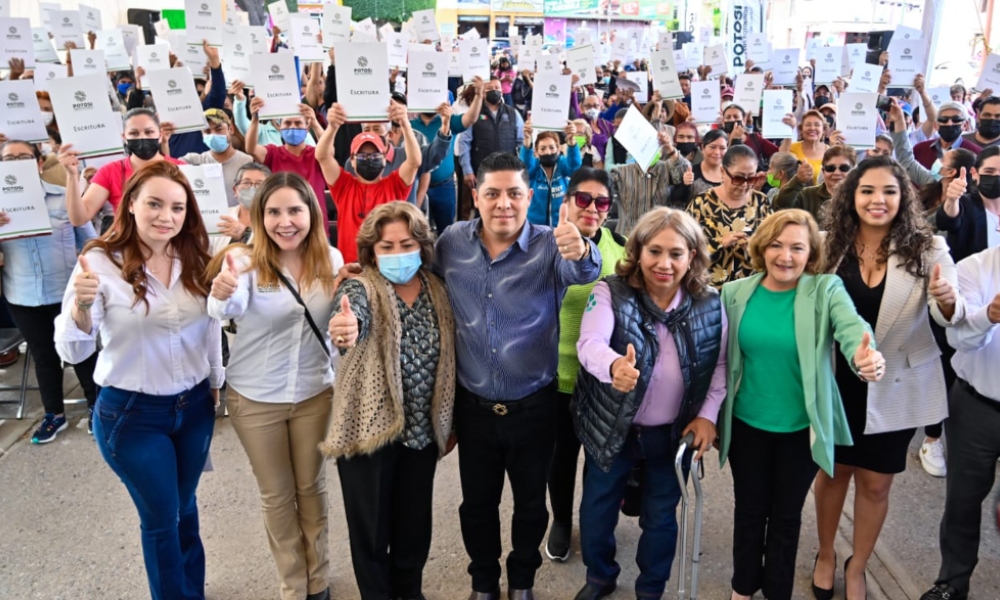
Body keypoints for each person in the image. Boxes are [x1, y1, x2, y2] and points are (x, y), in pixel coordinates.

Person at [434, 152, 602, 600]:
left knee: (531, 507)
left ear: (530, 197)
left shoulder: (552, 243)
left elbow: (584, 268)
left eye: (513, 193)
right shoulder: (451, 242)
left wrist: (582, 246)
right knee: (477, 507)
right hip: (475, 409)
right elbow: (413, 272)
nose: (502, 203)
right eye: (492, 193)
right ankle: (484, 584)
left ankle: (522, 582)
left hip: (535, 406)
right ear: (476, 196)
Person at [53, 161, 222, 600]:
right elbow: (73, 351)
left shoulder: (196, 257)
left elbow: (210, 328)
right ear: (130, 204)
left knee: (186, 510)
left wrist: (216, 381)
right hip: (132, 415)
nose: (166, 216)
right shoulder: (98, 262)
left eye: (178, 207)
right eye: (154, 203)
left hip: (195, 407)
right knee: (162, 519)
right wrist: (80, 309)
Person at [812, 156, 963, 600]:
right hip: (837, 380)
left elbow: (946, 315)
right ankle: (824, 553)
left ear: (905, 197)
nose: (878, 200)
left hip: (897, 381)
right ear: (850, 197)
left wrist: (947, 299)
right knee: (833, 472)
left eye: (889, 192)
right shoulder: (826, 245)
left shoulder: (930, 248)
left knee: (876, 482)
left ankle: (857, 566)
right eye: (867, 191)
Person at [718, 209, 884, 600]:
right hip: (746, 424)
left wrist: (866, 355)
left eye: (796, 247)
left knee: (786, 516)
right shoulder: (735, 292)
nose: (785, 256)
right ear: (761, 248)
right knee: (749, 510)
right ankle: (743, 587)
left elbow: (852, 327)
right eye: (776, 245)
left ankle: (778, 591)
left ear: (811, 254)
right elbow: (719, 361)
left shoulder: (825, 290)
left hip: (801, 428)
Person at [571, 207, 727, 600]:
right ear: (638, 251)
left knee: (661, 518)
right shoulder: (610, 290)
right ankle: (600, 576)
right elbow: (589, 343)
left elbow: (720, 366)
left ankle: (651, 589)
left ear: (692, 256)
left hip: (671, 435)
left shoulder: (710, 302)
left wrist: (708, 416)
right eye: (654, 251)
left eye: (676, 253)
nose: (664, 263)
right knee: (596, 510)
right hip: (613, 426)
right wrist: (612, 366)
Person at [207, 171, 342, 600]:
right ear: (259, 217)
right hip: (255, 399)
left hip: (314, 394)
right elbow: (225, 305)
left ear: (312, 214)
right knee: (278, 495)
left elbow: (341, 322)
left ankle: (317, 578)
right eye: (274, 212)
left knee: (312, 488)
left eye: (295, 210)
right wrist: (222, 291)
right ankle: (293, 584)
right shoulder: (243, 263)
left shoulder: (332, 260)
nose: (286, 222)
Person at [324, 201, 456, 600]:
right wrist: (345, 327)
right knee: (372, 532)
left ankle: (409, 593)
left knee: (414, 528)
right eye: (386, 247)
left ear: (422, 245)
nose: (398, 254)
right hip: (369, 435)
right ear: (370, 252)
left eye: (406, 244)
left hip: (420, 434)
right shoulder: (359, 287)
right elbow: (350, 317)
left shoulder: (437, 288)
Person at [545, 168, 628, 563]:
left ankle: (593, 523)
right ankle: (561, 520)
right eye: (583, 199)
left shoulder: (622, 248)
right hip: (556, 376)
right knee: (561, 457)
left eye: (601, 202)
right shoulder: (544, 244)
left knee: (600, 458)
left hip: (603, 378)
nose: (592, 209)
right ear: (566, 201)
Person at [0, 141, 99, 443]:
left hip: (65, 293)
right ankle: (53, 414)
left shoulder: (62, 199)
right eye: (9, 158)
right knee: (43, 356)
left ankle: (97, 409)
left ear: (40, 162)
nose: (17, 162)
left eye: (24, 157)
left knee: (82, 351)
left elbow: (91, 242)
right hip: (22, 294)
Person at [917, 243, 1000, 600]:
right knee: (962, 501)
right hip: (977, 405)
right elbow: (959, 340)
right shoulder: (974, 268)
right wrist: (990, 315)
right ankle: (952, 581)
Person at [317, 102, 421, 264]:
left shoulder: (395, 185)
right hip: (351, 269)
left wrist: (405, 125)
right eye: (362, 155)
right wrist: (332, 127)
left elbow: (414, 161)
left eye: (374, 155)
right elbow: (322, 156)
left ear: (384, 159)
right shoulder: (343, 186)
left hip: (387, 266)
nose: (368, 159)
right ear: (352, 160)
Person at [61, 108, 184, 227]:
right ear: (124, 137)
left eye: (149, 132)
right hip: (127, 246)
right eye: (134, 133)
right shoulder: (110, 172)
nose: (142, 137)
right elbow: (79, 218)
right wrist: (71, 175)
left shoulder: (182, 169)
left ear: (161, 135)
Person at [687, 145, 773, 288]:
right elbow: (684, 247)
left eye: (751, 178)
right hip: (710, 289)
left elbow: (773, 242)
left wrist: (755, 247)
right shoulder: (702, 203)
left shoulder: (761, 202)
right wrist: (719, 242)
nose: (744, 185)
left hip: (751, 286)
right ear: (722, 171)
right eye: (738, 178)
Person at [245, 101, 330, 230]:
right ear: (280, 127)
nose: (293, 127)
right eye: (288, 123)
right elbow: (251, 148)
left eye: (298, 123)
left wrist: (315, 123)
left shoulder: (316, 154)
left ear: (307, 128)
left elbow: (329, 150)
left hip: (316, 226)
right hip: (283, 225)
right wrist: (255, 119)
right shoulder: (273, 153)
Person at [411, 85, 484, 232]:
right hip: (416, 187)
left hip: (444, 187)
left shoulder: (448, 121)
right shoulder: (410, 126)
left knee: (446, 230)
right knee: (417, 231)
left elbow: (470, 119)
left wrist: (478, 96)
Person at [610, 132, 691, 236]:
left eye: (655, 147)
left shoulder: (666, 168)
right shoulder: (620, 172)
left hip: (658, 234)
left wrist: (669, 148)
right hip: (628, 236)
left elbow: (685, 169)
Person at [172, 108, 253, 207]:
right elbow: (168, 170)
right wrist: (164, 142)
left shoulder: (247, 162)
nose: (213, 134)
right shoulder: (193, 160)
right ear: (202, 135)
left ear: (230, 129)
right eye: (207, 131)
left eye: (218, 129)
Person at [458, 78, 525, 193]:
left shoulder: (513, 114)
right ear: (483, 93)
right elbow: (464, 142)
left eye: (497, 88)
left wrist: (521, 168)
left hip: (508, 172)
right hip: (482, 172)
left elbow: (522, 142)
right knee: (483, 208)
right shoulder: (474, 114)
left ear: (502, 91)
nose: (494, 91)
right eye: (489, 88)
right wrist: (467, 170)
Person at [774, 146, 857, 223]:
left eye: (844, 168)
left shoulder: (860, 196)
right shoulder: (806, 195)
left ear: (853, 172)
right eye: (830, 168)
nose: (837, 173)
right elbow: (780, 208)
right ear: (823, 171)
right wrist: (797, 181)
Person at [522, 121, 582, 226]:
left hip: (561, 225)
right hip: (535, 227)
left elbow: (574, 166)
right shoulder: (534, 169)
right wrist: (527, 140)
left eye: (552, 147)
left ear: (558, 150)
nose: (548, 152)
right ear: (536, 152)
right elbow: (524, 166)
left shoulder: (562, 165)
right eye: (543, 148)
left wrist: (571, 140)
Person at [210, 162, 271, 255]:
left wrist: (245, 233)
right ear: (235, 190)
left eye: (259, 184)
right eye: (246, 182)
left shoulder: (275, 220)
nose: (252, 188)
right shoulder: (222, 216)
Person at [912, 102, 982, 170]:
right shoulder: (919, 149)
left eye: (956, 119)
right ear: (936, 125)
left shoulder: (976, 153)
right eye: (943, 120)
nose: (949, 124)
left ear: (965, 125)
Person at [779, 110, 829, 185]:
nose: (812, 128)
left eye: (817, 125)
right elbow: (781, 159)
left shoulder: (829, 151)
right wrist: (790, 129)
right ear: (801, 130)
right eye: (808, 125)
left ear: (824, 130)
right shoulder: (792, 147)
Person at [686, 130, 728, 199]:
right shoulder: (691, 173)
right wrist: (685, 185)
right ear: (703, 147)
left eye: (722, 148)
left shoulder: (732, 174)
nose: (717, 152)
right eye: (713, 147)